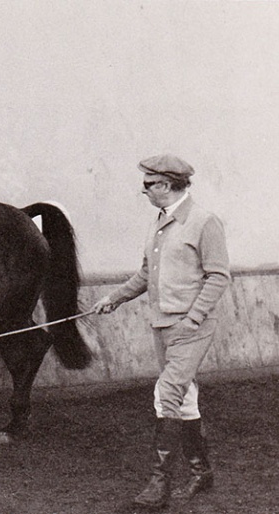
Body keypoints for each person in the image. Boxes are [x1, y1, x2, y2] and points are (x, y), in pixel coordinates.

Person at [93, 154, 230, 509]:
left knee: (166, 393)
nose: (145, 191)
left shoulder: (204, 222)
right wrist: (115, 298)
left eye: (149, 185)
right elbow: (145, 273)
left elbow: (218, 276)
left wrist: (193, 319)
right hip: (163, 323)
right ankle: (201, 471)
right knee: (184, 397)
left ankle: (160, 484)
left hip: (191, 326)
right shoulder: (159, 221)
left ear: (167, 185)